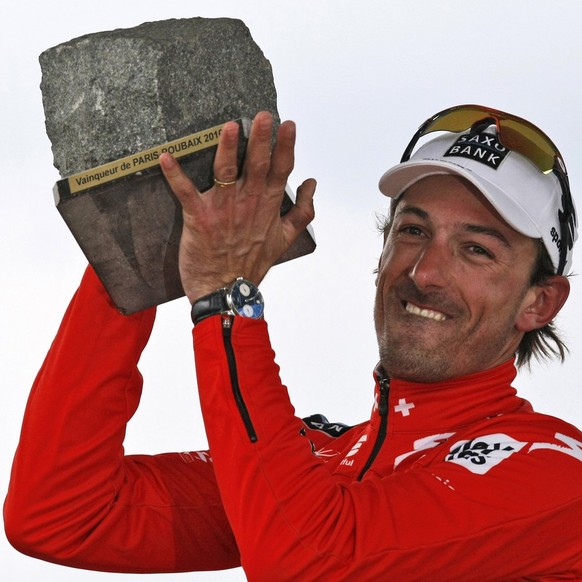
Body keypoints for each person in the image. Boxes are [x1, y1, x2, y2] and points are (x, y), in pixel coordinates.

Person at [5, 105, 582, 580]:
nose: (425, 272)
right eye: (412, 231)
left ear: (540, 302)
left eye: (477, 249)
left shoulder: (556, 472)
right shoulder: (322, 462)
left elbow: (309, 564)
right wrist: (139, 256)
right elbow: (60, 515)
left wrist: (225, 299)